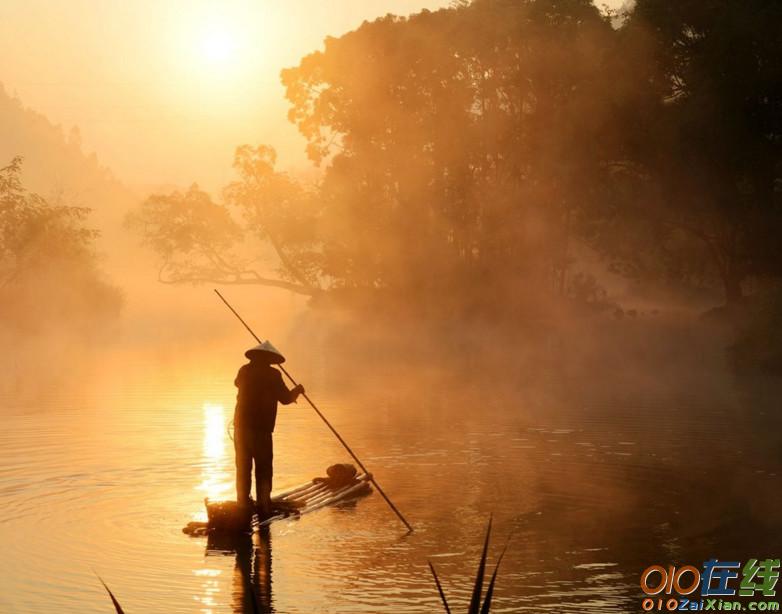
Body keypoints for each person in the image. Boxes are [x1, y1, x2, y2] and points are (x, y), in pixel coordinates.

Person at [233, 340, 304, 517]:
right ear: (269, 359)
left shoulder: (244, 370)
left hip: (241, 428)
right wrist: (298, 390)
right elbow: (286, 399)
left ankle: (243, 503)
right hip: (261, 429)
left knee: (243, 466)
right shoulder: (273, 375)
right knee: (263, 467)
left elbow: (236, 383)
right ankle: (264, 504)